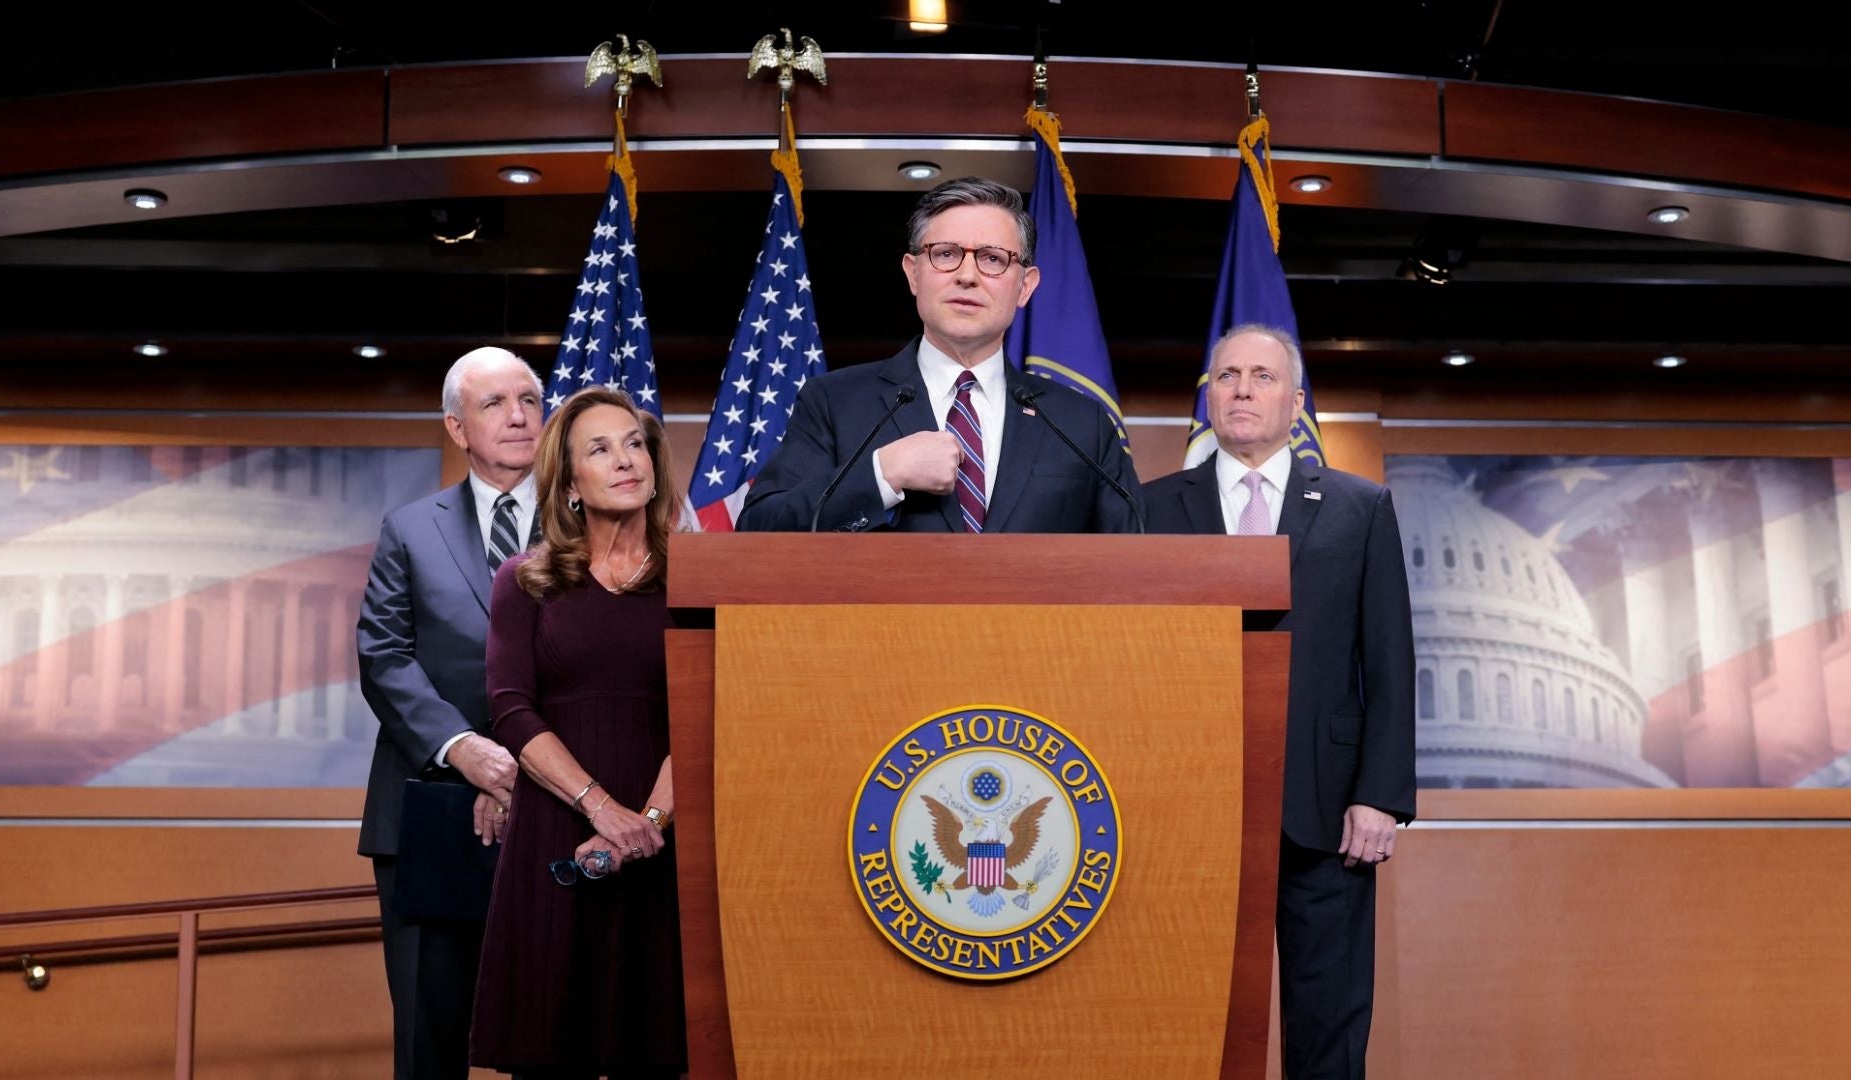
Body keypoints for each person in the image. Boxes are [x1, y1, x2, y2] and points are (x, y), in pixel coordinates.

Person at [1142, 325, 1415, 1079]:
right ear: (1208, 396)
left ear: (1295, 404)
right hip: (1189, 804)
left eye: (1262, 376)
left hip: (1327, 811)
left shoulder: (1360, 508)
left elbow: (1389, 660)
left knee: (1327, 1023)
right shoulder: (1152, 508)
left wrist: (1381, 796)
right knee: (1190, 1018)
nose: (1241, 388)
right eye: (1226, 375)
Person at [469, 386, 685, 1080]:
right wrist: (601, 810)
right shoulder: (525, 582)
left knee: (653, 1050)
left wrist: (646, 824)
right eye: (600, 449)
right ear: (568, 484)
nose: (626, 460)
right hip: (556, 836)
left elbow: (705, 714)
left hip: (666, 846)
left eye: (634, 443)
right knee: (551, 1050)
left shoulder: (693, 580)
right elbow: (512, 711)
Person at [739, 176, 1140, 533]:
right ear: (914, 273)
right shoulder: (833, 401)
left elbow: (1134, 563)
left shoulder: (1082, 424)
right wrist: (883, 475)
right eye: (946, 254)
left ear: (1025, 287)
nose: (967, 275)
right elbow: (760, 530)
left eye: (993, 259)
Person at [357, 345, 543, 1080]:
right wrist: (464, 748)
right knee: (429, 1046)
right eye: (494, 403)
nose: (519, 416)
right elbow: (385, 657)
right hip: (429, 809)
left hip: (555, 807)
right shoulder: (409, 527)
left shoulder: (590, 523)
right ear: (457, 427)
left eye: (529, 398)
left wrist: (528, 763)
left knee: (550, 1036)